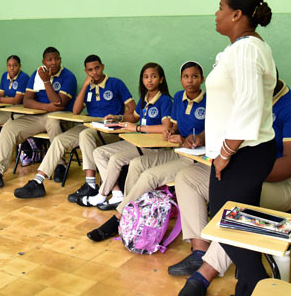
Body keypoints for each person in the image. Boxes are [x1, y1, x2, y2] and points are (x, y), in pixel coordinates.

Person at [173, 79, 291, 296]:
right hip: (242, 174)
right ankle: (199, 250)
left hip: (286, 183)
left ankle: (205, 273)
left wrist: (242, 172)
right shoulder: (249, 105)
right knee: (187, 177)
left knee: (237, 200)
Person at [200, 0, 276, 296]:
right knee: (239, 224)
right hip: (242, 152)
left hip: (243, 153)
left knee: (224, 221)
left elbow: (249, 104)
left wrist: (225, 153)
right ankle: (246, 292)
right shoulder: (242, 49)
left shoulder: (246, 49)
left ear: (237, 15)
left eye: (220, 7)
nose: (215, 13)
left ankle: (262, 292)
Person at [85, 61, 205, 239]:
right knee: (136, 164)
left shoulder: (208, 99)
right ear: (180, 80)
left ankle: (118, 218)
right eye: (186, 77)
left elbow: (212, 129)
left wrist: (197, 138)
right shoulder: (179, 97)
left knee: (149, 175)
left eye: (194, 76)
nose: (190, 81)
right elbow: (174, 126)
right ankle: (133, 215)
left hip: (196, 156)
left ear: (202, 79)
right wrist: (172, 132)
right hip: (176, 149)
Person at [13, 54, 135, 199]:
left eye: (97, 68)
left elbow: (132, 108)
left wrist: (119, 119)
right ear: (86, 72)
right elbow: (76, 111)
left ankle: (90, 184)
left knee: (86, 135)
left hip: (110, 127)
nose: (94, 72)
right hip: (90, 124)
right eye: (90, 70)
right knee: (59, 140)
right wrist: (84, 86)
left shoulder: (116, 83)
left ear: (102, 67)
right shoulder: (88, 87)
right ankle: (38, 182)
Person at [0, 47, 76, 190]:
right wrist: (47, 107)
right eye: (49, 60)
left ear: (60, 59)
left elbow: (59, 103)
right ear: (43, 62)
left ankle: (60, 165)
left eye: (56, 59)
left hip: (60, 116)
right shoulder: (37, 74)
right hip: (37, 114)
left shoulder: (68, 76)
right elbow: (27, 101)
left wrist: (46, 82)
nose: (53, 62)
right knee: (9, 128)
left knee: (53, 122)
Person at [86, 62, 173, 209]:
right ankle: (117, 194)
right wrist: (119, 118)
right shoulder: (144, 98)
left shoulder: (164, 100)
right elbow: (133, 117)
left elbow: (166, 127)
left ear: (161, 79)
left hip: (153, 146)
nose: (149, 80)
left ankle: (102, 195)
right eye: (145, 77)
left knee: (115, 159)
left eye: (153, 76)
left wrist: (138, 127)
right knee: (99, 152)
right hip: (138, 141)